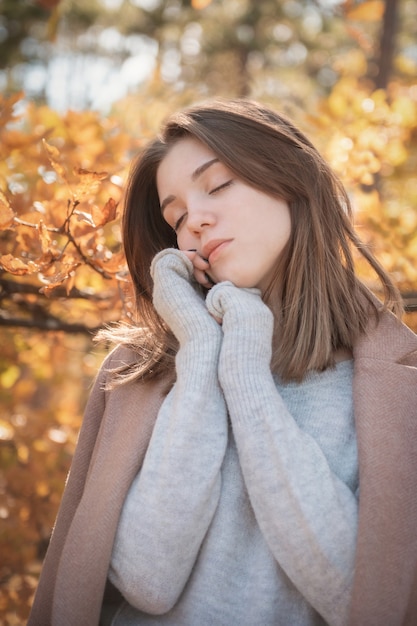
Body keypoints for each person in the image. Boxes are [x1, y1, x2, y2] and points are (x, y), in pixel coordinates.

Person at [28, 99, 417, 626]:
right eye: (177, 217)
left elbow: (359, 594)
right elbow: (147, 580)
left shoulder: (397, 387)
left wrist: (246, 375)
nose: (196, 222)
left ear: (291, 177)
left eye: (217, 186)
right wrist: (203, 355)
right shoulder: (137, 376)